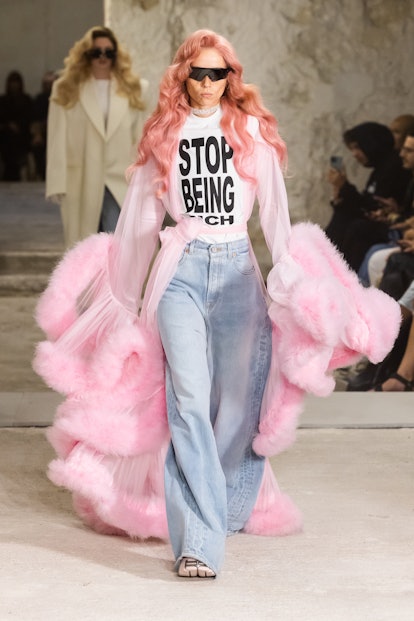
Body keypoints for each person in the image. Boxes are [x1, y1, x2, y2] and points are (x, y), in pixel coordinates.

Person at [33, 30, 401, 579]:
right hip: (179, 268)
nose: (206, 84)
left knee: (237, 405)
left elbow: (274, 216)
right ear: (183, 75)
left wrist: (289, 282)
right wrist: (129, 300)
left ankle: (226, 505)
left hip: (236, 272)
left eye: (217, 73)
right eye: (197, 73)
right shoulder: (165, 132)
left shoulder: (251, 130)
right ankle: (199, 541)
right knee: (187, 400)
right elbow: (137, 219)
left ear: (231, 76)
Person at [46, 26, 147, 248]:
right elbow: (56, 137)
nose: (102, 57)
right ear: (86, 55)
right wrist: (56, 181)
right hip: (80, 178)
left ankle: (114, 284)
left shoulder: (134, 89)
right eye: (96, 52)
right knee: (84, 248)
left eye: (108, 52)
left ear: (116, 56)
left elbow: (140, 140)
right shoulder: (65, 89)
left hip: (120, 178)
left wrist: (145, 180)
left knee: (116, 243)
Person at [325, 122, 411, 269]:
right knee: (342, 215)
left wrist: (345, 187)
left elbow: (373, 204)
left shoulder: (394, 167)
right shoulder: (380, 169)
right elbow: (369, 202)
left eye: (357, 147)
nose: (354, 154)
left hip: (392, 228)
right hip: (387, 223)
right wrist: (340, 193)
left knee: (357, 228)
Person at [0, 70, 33, 180]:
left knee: (16, 141)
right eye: (12, 82)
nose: (14, 85)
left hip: (23, 134)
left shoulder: (26, 100)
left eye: (16, 82)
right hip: (5, 134)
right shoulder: (3, 100)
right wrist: (9, 125)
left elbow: (29, 118)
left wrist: (19, 126)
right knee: (9, 140)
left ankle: (12, 173)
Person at [30, 71, 57, 180]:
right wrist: (37, 133)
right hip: (43, 131)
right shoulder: (40, 99)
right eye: (46, 83)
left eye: (51, 83)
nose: (49, 86)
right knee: (38, 145)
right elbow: (34, 119)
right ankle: (41, 174)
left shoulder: (63, 99)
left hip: (58, 132)